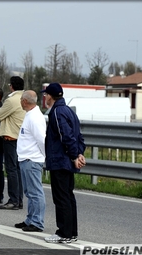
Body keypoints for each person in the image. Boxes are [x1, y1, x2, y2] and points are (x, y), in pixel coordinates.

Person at [42, 82, 86, 244]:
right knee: (68, 197)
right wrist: (79, 153)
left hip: (60, 160)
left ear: (50, 96)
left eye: (46, 94)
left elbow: (66, 136)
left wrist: (75, 156)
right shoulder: (69, 110)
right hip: (68, 159)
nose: (45, 97)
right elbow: (78, 135)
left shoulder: (56, 112)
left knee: (61, 198)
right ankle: (72, 232)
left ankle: (63, 233)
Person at [14, 90, 46, 232]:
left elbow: (41, 140)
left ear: (25, 101)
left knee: (35, 192)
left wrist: (43, 156)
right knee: (29, 192)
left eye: (21, 99)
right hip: (26, 158)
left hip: (32, 159)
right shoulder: (30, 115)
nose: (20, 101)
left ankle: (37, 222)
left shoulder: (35, 118)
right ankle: (30, 219)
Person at [0, 76, 26, 210]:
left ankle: (13, 200)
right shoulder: (24, 98)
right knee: (18, 170)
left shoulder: (12, 100)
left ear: (11, 86)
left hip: (11, 138)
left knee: (11, 170)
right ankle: (18, 199)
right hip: (21, 138)